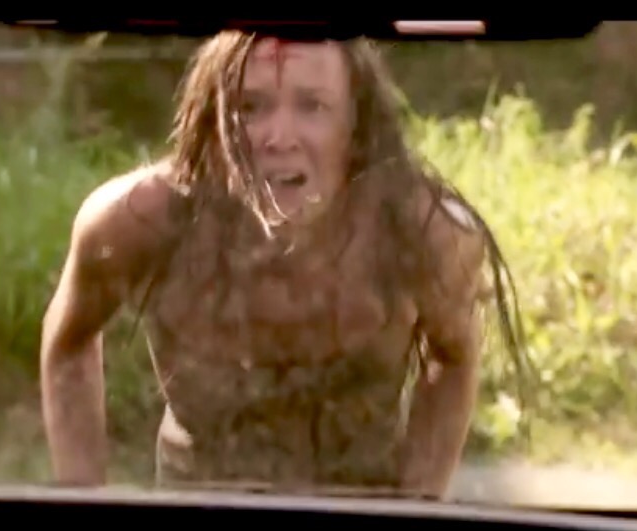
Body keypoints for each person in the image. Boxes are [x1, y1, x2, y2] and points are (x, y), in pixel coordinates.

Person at [38, 30, 528, 500]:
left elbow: (454, 358)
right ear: (214, 119)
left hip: (366, 503)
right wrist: (83, 497)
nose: (279, 137)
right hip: (198, 500)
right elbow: (68, 344)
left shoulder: (425, 234)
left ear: (356, 126)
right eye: (250, 107)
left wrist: (416, 505)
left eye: (311, 106)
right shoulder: (138, 223)